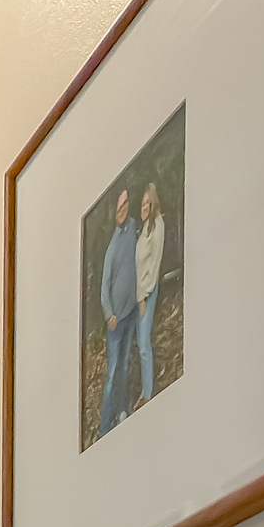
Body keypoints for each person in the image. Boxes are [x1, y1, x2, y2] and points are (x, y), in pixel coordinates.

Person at [96, 189, 140, 433]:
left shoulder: (134, 227)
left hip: (131, 311)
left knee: (124, 364)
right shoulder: (111, 248)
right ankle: (105, 425)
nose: (122, 212)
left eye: (125, 207)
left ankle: (122, 409)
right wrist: (108, 314)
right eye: (119, 209)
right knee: (112, 373)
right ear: (115, 213)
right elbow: (104, 286)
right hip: (115, 320)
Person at [128, 183, 167, 412]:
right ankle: (145, 389)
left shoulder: (157, 225)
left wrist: (143, 297)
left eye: (147, 203)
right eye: (142, 204)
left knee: (144, 344)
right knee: (139, 343)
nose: (143, 207)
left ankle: (148, 394)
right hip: (138, 294)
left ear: (153, 204)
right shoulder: (143, 230)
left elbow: (153, 265)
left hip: (147, 293)